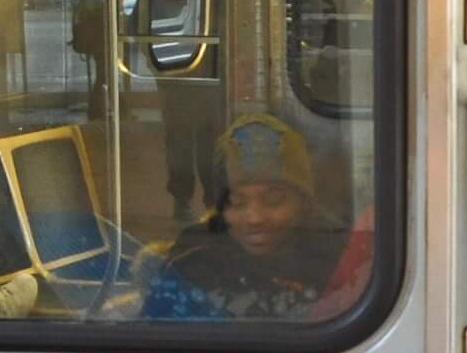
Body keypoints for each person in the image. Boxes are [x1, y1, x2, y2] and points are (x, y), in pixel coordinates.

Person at [142, 113, 354, 322]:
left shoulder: (343, 259)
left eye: (274, 200)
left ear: (305, 203)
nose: (255, 218)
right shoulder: (191, 264)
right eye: (236, 202)